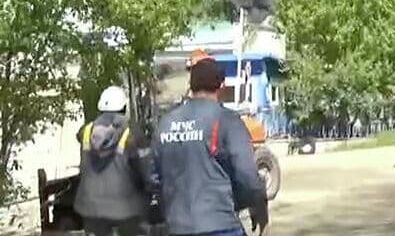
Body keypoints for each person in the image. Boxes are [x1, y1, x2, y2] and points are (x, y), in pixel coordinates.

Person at [155, 58, 269, 236]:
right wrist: (254, 206)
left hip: (176, 226)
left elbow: (153, 177)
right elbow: (248, 177)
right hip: (220, 225)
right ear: (221, 86)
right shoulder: (227, 120)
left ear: (191, 86)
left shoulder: (165, 124)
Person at [73, 86, 155, 236]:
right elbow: (148, 174)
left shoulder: (86, 132)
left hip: (91, 209)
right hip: (127, 210)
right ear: (124, 108)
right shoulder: (133, 134)